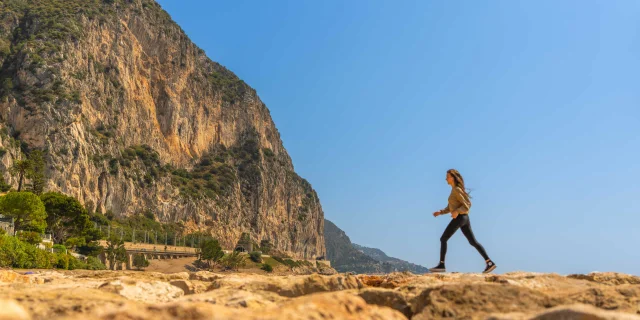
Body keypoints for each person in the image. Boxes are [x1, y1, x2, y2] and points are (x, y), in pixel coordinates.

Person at [429, 169, 496, 273]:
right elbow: (451, 207)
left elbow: (468, 204)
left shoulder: (457, 190)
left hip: (460, 218)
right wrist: (440, 212)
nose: (446, 178)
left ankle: (441, 265)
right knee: (472, 242)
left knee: (443, 238)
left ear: (453, 178)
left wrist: (457, 211)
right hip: (464, 218)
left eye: (447, 176)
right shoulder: (454, 190)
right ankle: (489, 263)